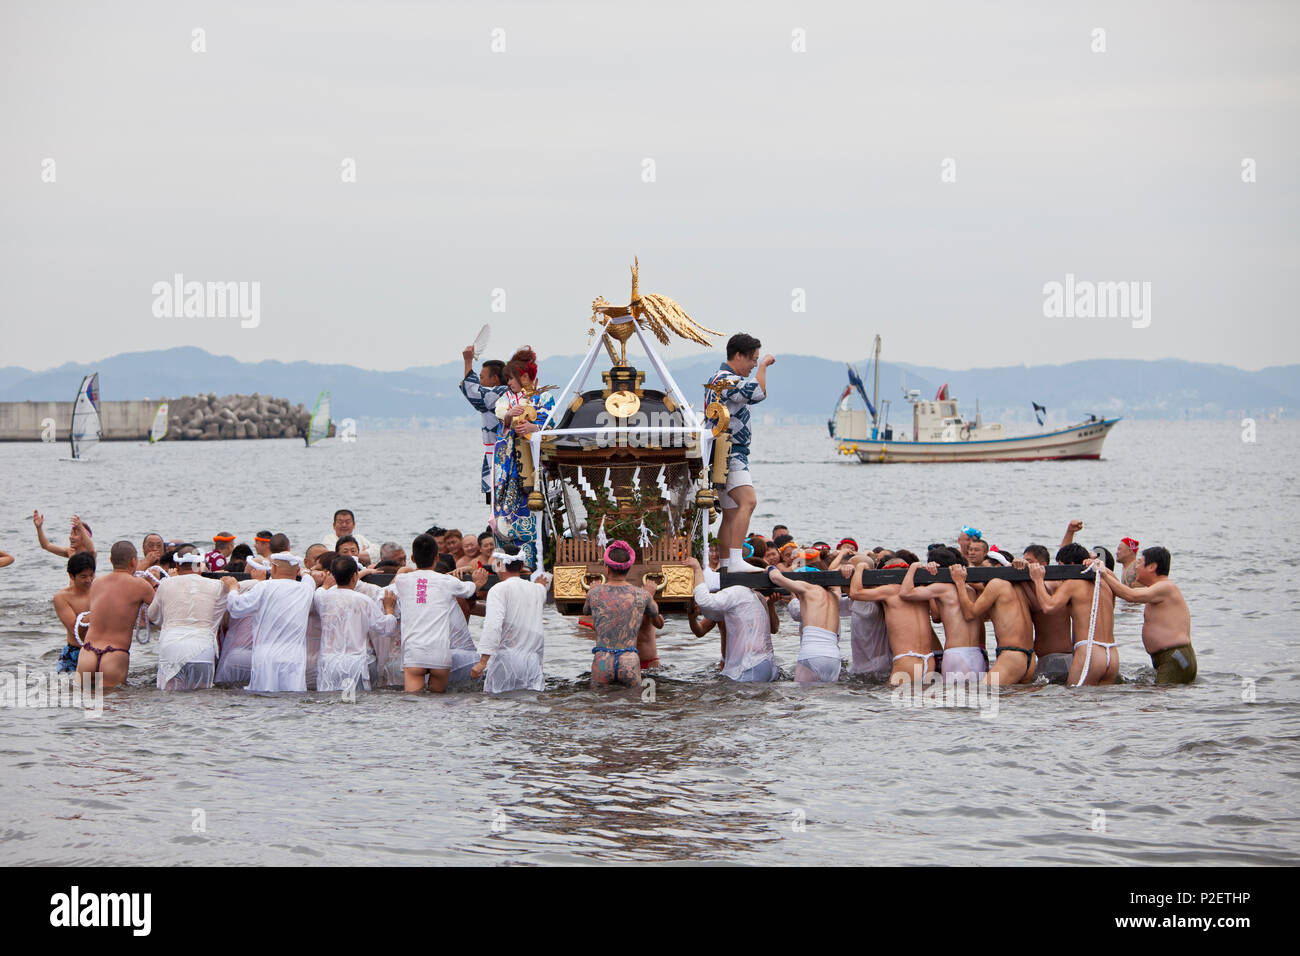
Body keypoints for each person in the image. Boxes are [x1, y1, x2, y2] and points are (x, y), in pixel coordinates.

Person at [704, 334, 775, 572]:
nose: (754, 364)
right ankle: (735, 561)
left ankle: (725, 563)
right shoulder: (726, 380)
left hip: (721, 453)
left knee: (732, 511)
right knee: (748, 502)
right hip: (730, 453)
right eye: (753, 359)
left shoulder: (720, 379)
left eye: (757, 361)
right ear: (738, 356)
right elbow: (759, 392)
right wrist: (765, 366)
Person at [387, 534, 489, 693]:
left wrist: (402, 570)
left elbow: (394, 582)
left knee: (413, 701)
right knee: (439, 703)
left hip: (415, 653)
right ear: (436, 557)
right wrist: (478, 583)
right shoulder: (447, 581)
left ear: (412, 558)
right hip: (439, 652)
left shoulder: (403, 581)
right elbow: (470, 590)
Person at [492, 347, 555, 570]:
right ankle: (506, 562)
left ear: (525, 376)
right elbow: (502, 431)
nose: (509, 383)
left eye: (511, 378)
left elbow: (552, 428)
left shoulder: (545, 397)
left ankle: (533, 562)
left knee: (535, 513)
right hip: (511, 470)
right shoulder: (506, 399)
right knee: (506, 516)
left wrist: (535, 428)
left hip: (534, 466)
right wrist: (508, 418)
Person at [1095, 546, 1196, 684]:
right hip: (1170, 657)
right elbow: (1124, 590)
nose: (1136, 567)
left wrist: (1104, 574)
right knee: (1152, 696)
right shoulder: (1156, 588)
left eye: (1140, 563)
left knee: (1159, 702)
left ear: (1152, 567)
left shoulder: (1165, 587)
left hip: (1176, 657)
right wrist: (1103, 570)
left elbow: (1130, 595)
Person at [223, 551, 320, 692]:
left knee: (264, 701)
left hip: (266, 657)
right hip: (294, 658)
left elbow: (236, 607)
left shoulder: (264, 587)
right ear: (297, 571)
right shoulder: (305, 589)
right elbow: (309, 580)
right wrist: (305, 573)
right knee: (292, 701)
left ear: (273, 569)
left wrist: (233, 588)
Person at [1029, 543, 1117, 685]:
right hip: (1112, 654)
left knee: (1076, 701)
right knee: (1104, 705)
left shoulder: (1073, 583)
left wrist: (1038, 580)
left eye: (1060, 565)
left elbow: (1048, 607)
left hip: (1090, 651)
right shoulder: (1106, 579)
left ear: (1069, 565)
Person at [76, 541, 158, 689]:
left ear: (111, 560)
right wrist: (155, 585)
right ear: (133, 561)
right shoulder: (141, 585)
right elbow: (158, 614)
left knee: (86, 705)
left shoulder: (97, 583)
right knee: (116, 706)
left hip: (87, 652)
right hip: (114, 653)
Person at [313, 555, 399, 694]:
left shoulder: (322, 597)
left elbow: (321, 591)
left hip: (328, 663)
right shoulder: (363, 600)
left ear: (333, 575)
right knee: (356, 706)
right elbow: (386, 628)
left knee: (328, 706)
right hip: (355, 664)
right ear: (355, 576)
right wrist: (389, 609)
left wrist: (324, 584)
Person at [686, 557, 779, 682]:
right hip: (765, 663)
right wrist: (692, 617)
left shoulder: (737, 592)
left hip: (749, 664)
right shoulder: (756, 597)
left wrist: (697, 569)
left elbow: (704, 601)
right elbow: (702, 627)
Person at [899, 548, 986, 681]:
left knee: (953, 699)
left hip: (956, 655)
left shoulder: (942, 588)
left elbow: (905, 593)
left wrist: (913, 567)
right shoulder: (970, 589)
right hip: (976, 654)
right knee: (977, 698)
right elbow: (937, 616)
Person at [472, 550, 550, 693]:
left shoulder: (498, 589)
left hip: (506, 660)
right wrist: (540, 584)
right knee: (531, 707)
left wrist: (483, 662)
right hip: (532, 663)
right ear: (522, 566)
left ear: (500, 565)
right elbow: (541, 588)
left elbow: (493, 625)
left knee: (499, 707)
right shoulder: (537, 590)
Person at [148, 552, 228, 690]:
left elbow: (153, 616)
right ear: (200, 566)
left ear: (177, 566)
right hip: (202, 649)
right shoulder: (217, 586)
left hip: (172, 647)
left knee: (170, 699)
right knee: (202, 698)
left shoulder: (166, 584)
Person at [847, 560, 936, 685]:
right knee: (922, 702)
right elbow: (936, 616)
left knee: (892, 702)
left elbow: (854, 593)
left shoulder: (890, 591)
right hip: (929, 661)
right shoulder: (922, 592)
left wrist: (860, 567)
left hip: (906, 659)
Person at [584, 541, 657, 689]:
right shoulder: (642, 595)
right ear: (629, 568)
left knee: (597, 706)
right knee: (634, 706)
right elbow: (655, 612)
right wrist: (650, 595)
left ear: (607, 568)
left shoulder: (594, 594)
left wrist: (593, 590)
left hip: (603, 659)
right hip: (628, 658)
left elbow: (586, 611)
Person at [949, 563, 1036, 685]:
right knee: (1015, 700)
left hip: (1011, 656)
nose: (981, 571)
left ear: (997, 566)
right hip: (1030, 657)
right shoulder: (1018, 585)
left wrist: (960, 583)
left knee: (982, 695)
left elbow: (970, 614)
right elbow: (985, 617)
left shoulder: (996, 584)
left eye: (984, 567)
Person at [770, 565, 842, 683]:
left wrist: (770, 568)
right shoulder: (835, 595)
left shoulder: (808, 589)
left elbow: (775, 578)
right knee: (828, 697)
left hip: (812, 653)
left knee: (803, 698)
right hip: (833, 656)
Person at [460, 344, 508, 503]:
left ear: (495, 379)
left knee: (500, 510)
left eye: (482, 377)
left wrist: (468, 362)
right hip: (499, 457)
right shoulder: (507, 394)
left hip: (500, 459)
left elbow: (474, 393)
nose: (480, 382)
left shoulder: (500, 393)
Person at [1019, 544, 1072, 683]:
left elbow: (1048, 589)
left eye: (1029, 562)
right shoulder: (1036, 586)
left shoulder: (1054, 584)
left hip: (1056, 659)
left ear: (1042, 564)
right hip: (1049, 659)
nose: (1026, 565)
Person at [53, 552, 96, 673]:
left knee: (100, 691)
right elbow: (75, 628)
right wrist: (98, 610)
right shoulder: (62, 597)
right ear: (72, 576)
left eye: (91, 575)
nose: (89, 580)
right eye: (83, 577)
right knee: (66, 690)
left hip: (97, 651)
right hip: (74, 651)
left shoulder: (99, 590)